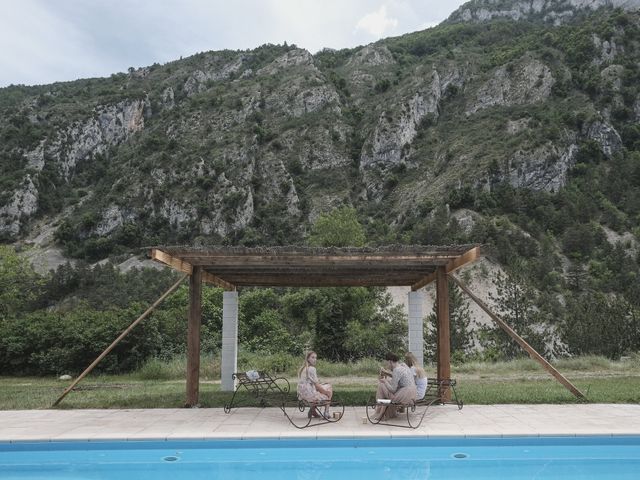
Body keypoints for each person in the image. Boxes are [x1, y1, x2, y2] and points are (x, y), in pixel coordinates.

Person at [374, 352, 417, 420]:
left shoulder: (396, 370)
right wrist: (386, 376)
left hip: (405, 395)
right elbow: (398, 379)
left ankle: (381, 412)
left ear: (390, 361)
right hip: (412, 393)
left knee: (381, 385)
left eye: (387, 363)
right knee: (385, 384)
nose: (387, 365)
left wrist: (385, 381)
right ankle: (382, 413)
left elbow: (393, 389)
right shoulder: (403, 365)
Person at [297, 351, 333, 418]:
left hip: (302, 395)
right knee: (329, 388)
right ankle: (326, 412)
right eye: (312, 357)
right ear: (308, 359)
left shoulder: (303, 369)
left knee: (325, 386)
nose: (315, 359)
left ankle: (313, 411)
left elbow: (313, 384)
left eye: (315, 358)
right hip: (310, 396)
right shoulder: (312, 369)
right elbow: (317, 386)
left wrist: (321, 386)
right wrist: (326, 392)